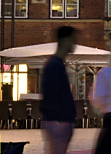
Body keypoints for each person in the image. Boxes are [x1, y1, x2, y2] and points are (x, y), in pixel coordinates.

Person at [41, 25, 78, 154]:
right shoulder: (55, 65)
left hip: (58, 120)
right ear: (65, 40)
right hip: (58, 121)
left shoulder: (55, 64)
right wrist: (64, 118)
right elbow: (54, 95)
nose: (75, 43)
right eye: (73, 40)